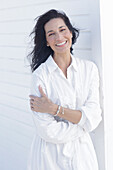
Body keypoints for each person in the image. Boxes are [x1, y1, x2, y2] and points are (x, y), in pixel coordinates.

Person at [28, 9, 102, 170]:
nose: (59, 38)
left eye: (62, 30)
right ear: (46, 41)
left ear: (71, 33)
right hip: (49, 157)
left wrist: (54, 109)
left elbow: (95, 116)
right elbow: (48, 131)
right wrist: (83, 124)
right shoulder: (40, 76)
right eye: (51, 34)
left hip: (82, 155)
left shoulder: (89, 69)